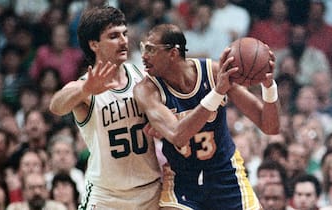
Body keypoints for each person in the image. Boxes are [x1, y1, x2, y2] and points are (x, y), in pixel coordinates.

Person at [133, 23, 280, 209]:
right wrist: (217, 93)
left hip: (225, 173)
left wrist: (268, 86)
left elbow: (270, 126)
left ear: (173, 53)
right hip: (182, 179)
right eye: (143, 48)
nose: (144, 56)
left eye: (151, 50)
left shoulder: (213, 73)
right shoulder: (146, 90)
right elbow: (178, 135)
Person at [49, 6, 162, 210]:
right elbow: (56, 105)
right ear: (94, 44)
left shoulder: (143, 77)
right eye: (113, 36)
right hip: (106, 197)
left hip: (149, 191)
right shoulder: (85, 86)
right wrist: (84, 89)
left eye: (124, 33)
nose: (123, 41)